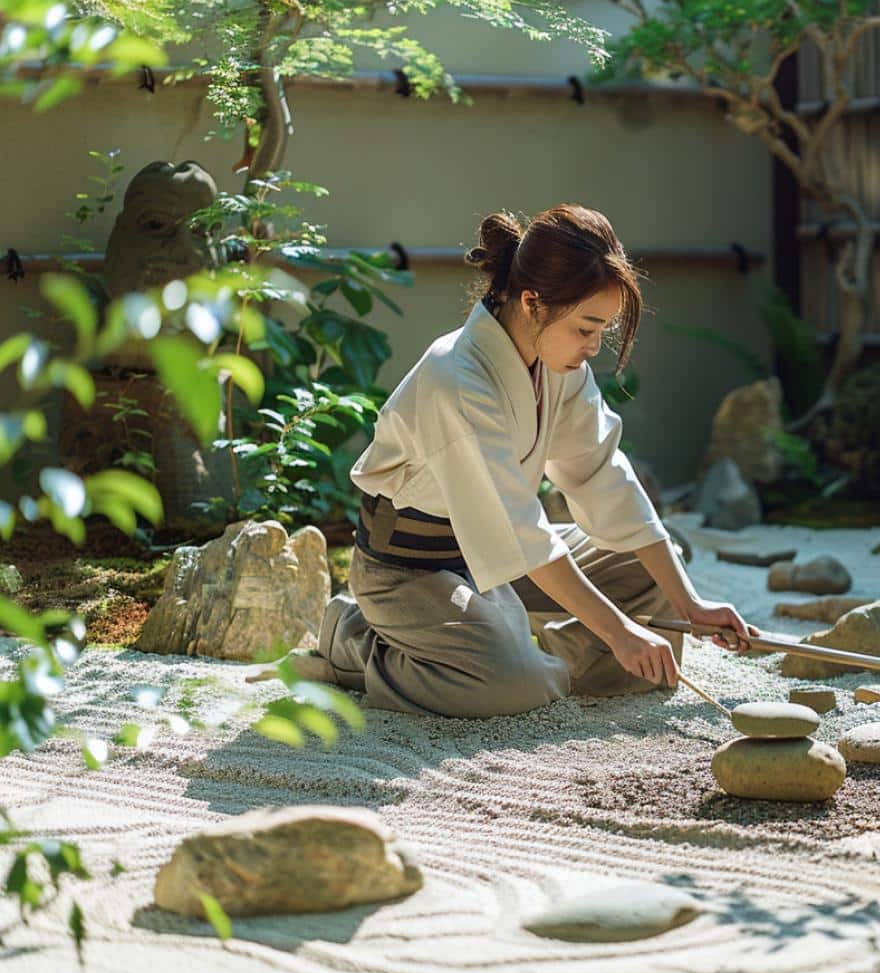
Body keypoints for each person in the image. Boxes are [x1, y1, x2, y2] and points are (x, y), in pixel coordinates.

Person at [263, 204, 757, 716]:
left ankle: (526, 654)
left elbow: (604, 475)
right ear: (531, 301)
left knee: (651, 571)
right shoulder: (456, 379)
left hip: (495, 566)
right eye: (586, 328)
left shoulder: (556, 361)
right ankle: (354, 641)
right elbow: (522, 533)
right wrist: (617, 630)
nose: (593, 348)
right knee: (509, 686)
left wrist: (688, 602)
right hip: (412, 570)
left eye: (601, 332)